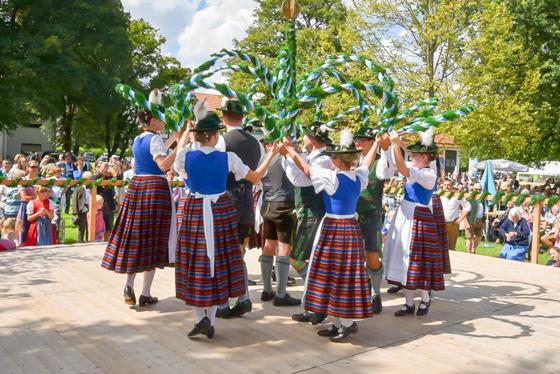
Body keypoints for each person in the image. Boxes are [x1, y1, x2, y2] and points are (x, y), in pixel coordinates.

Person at [174, 109, 277, 339]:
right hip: (220, 208)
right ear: (213, 135)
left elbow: (181, 173)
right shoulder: (228, 158)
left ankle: (201, 318)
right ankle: (208, 320)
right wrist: (271, 154)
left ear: (198, 135)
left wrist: (185, 140)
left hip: (194, 209)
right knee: (217, 262)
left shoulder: (185, 156)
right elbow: (255, 178)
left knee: (195, 261)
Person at [102, 88, 182, 308]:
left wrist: (174, 140)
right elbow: (163, 165)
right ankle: (145, 292)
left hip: (137, 187)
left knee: (137, 237)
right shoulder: (155, 139)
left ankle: (130, 285)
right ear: (153, 120)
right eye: (161, 118)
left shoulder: (139, 139)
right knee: (153, 239)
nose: (164, 121)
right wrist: (181, 146)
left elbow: (152, 152)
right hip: (154, 188)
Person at [303, 129, 378, 342]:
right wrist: (375, 145)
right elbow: (367, 163)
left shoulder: (332, 179)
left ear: (338, 160)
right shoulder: (357, 177)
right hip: (350, 230)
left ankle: (347, 324)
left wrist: (290, 152)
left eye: (333, 157)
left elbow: (308, 171)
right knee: (339, 275)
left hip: (335, 229)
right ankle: (337, 324)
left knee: (337, 275)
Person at [382, 130, 447, 317]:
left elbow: (402, 169)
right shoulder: (420, 167)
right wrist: (397, 142)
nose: (412, 156)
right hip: (405, 216)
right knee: (403, 259)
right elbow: (405, 156)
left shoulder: (428, 174)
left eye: (416, 154)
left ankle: (425, 298)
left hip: (418, 217)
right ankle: (408, 303)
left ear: (425, 157)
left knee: (417, 261)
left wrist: (395, 144)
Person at [215, 98, 267, 319]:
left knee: (223, 252)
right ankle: (243, 296)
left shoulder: (221, 141)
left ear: (224, 117)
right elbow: (260, 174)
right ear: (242, 117)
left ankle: (225, 302)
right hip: (248, 200)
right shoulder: (256, 143)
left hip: (226, 197)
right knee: (239, 250)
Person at [280, 122, 332, 324]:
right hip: (308, 212)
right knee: (303, 259)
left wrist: (290, 154)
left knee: (297, 259)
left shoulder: (323, 160)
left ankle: (318, 301)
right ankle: (313, 304)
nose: (303, 138)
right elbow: (298, 176)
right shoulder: (315, 157)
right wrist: (289, 155)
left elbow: (302, 179)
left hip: (315, 213)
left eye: (306, 135)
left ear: (313, 139)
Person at [353, 126, 393, 314]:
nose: (357, 143)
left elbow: (386, 172)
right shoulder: (352, 159)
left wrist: (383, 146)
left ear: (371, 141)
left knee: (372, 257)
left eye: (361, 139)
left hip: (372, 214)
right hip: (352, 215)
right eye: (357, 139)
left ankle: (376, 293)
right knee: (354, 257)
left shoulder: (379, 162)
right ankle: (361, 291)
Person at [258, 140, 299, 307]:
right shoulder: (285, 158)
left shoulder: (265, 158)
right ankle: (281, 294)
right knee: (284, 248)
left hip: (267, 204)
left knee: (268, 245)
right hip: (284, 204)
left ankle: (267, 290)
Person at [440, 179, 470, 250]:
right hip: (441, 223)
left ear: (452, 187)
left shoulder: (457, 195)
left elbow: (468, 206)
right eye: (445, 185)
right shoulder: (439, 195)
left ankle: (452, 260)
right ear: (442, 186)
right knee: (441, 246)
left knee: (452, 246)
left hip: (453, 223)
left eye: (448, 185)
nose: (446, 187)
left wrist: (461, 218)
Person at [72, 171, 91, 243]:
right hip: (82, 208)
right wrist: (75, 212)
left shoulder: (92, 187)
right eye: (89, 179)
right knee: (82, 226)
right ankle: (80, 241)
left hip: (90, 206)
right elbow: (74, 200)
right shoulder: (79, 188)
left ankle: (88, 240)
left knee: (89, 225)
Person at [465, 183, 485, 254]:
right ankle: (469, 253)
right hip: (470, 219)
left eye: (480, 189)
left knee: (479, 236)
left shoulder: (482, 197)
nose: (478, 191)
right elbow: (464, 211)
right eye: (476, 189)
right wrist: (466, 222)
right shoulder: (469, 197)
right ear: (473, 189)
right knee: (469, 237)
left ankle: (473, 249)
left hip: (480, 220)